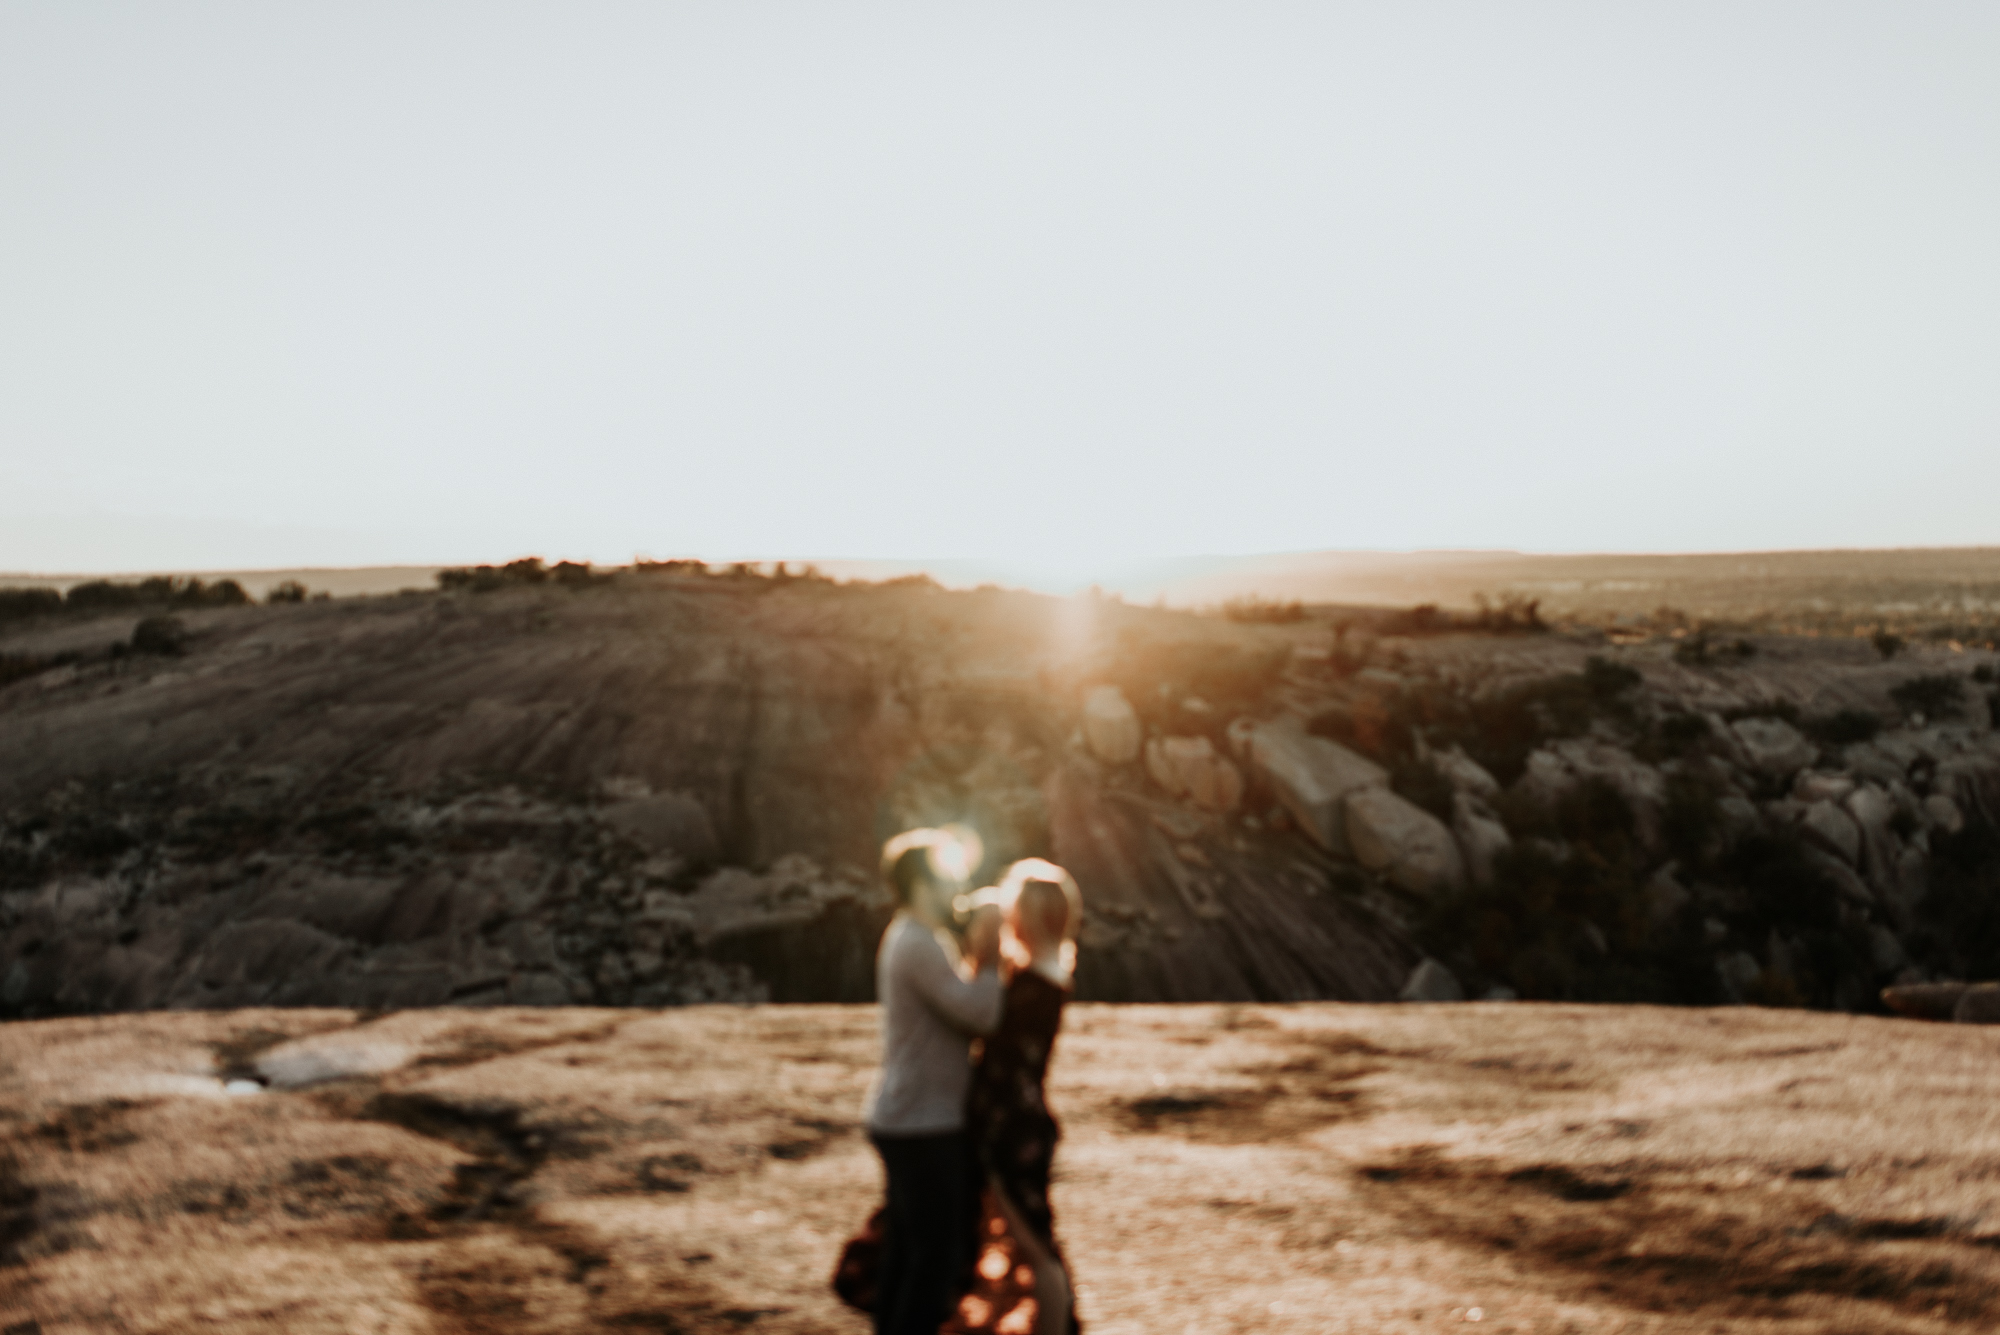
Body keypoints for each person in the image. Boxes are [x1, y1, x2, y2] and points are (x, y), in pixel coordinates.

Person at [861, 829, 1005, 1335]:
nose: (959, 887)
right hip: (924, 1123)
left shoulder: (915, 937)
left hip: (911, 1116)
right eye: (950, 876)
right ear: (924, 881)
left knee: (905, 1254)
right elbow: (980, 1014)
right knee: (935, 1259)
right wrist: (988, 957)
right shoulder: (919, 942)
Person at [960, 859, 1083, 1335]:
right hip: (1016, 1123)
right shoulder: (1047, 970)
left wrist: (985, 956)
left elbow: (983, 1022)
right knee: (1031, 1242)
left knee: (1035, 1247)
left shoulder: (1031, 980)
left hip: (1010, 1127)